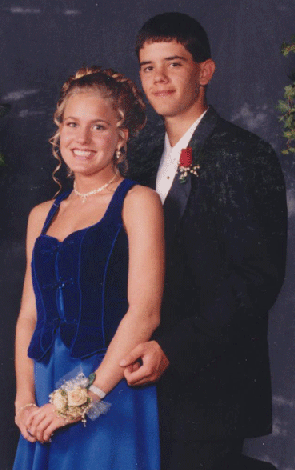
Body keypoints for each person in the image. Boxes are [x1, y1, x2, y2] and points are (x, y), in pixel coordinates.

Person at [121, 12, 288, 470]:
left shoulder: (246, 155)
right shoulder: (138, 156)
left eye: (173, 64)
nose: (158, 79)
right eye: (148, 66)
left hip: (210, 386)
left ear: (205, 71)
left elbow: (257, 280)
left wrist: (173, 348)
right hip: (136, 384)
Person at [13, 66, 164, 470]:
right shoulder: (40, 215)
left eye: (98, 126)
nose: (81, 139)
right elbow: (29, 317)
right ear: (58, 130)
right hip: (44, 386)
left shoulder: (138, 202)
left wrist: (79, 401)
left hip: (107, 387)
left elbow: (144, 314)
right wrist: (24, 401)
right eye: (72, 124)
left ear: (122, 136)